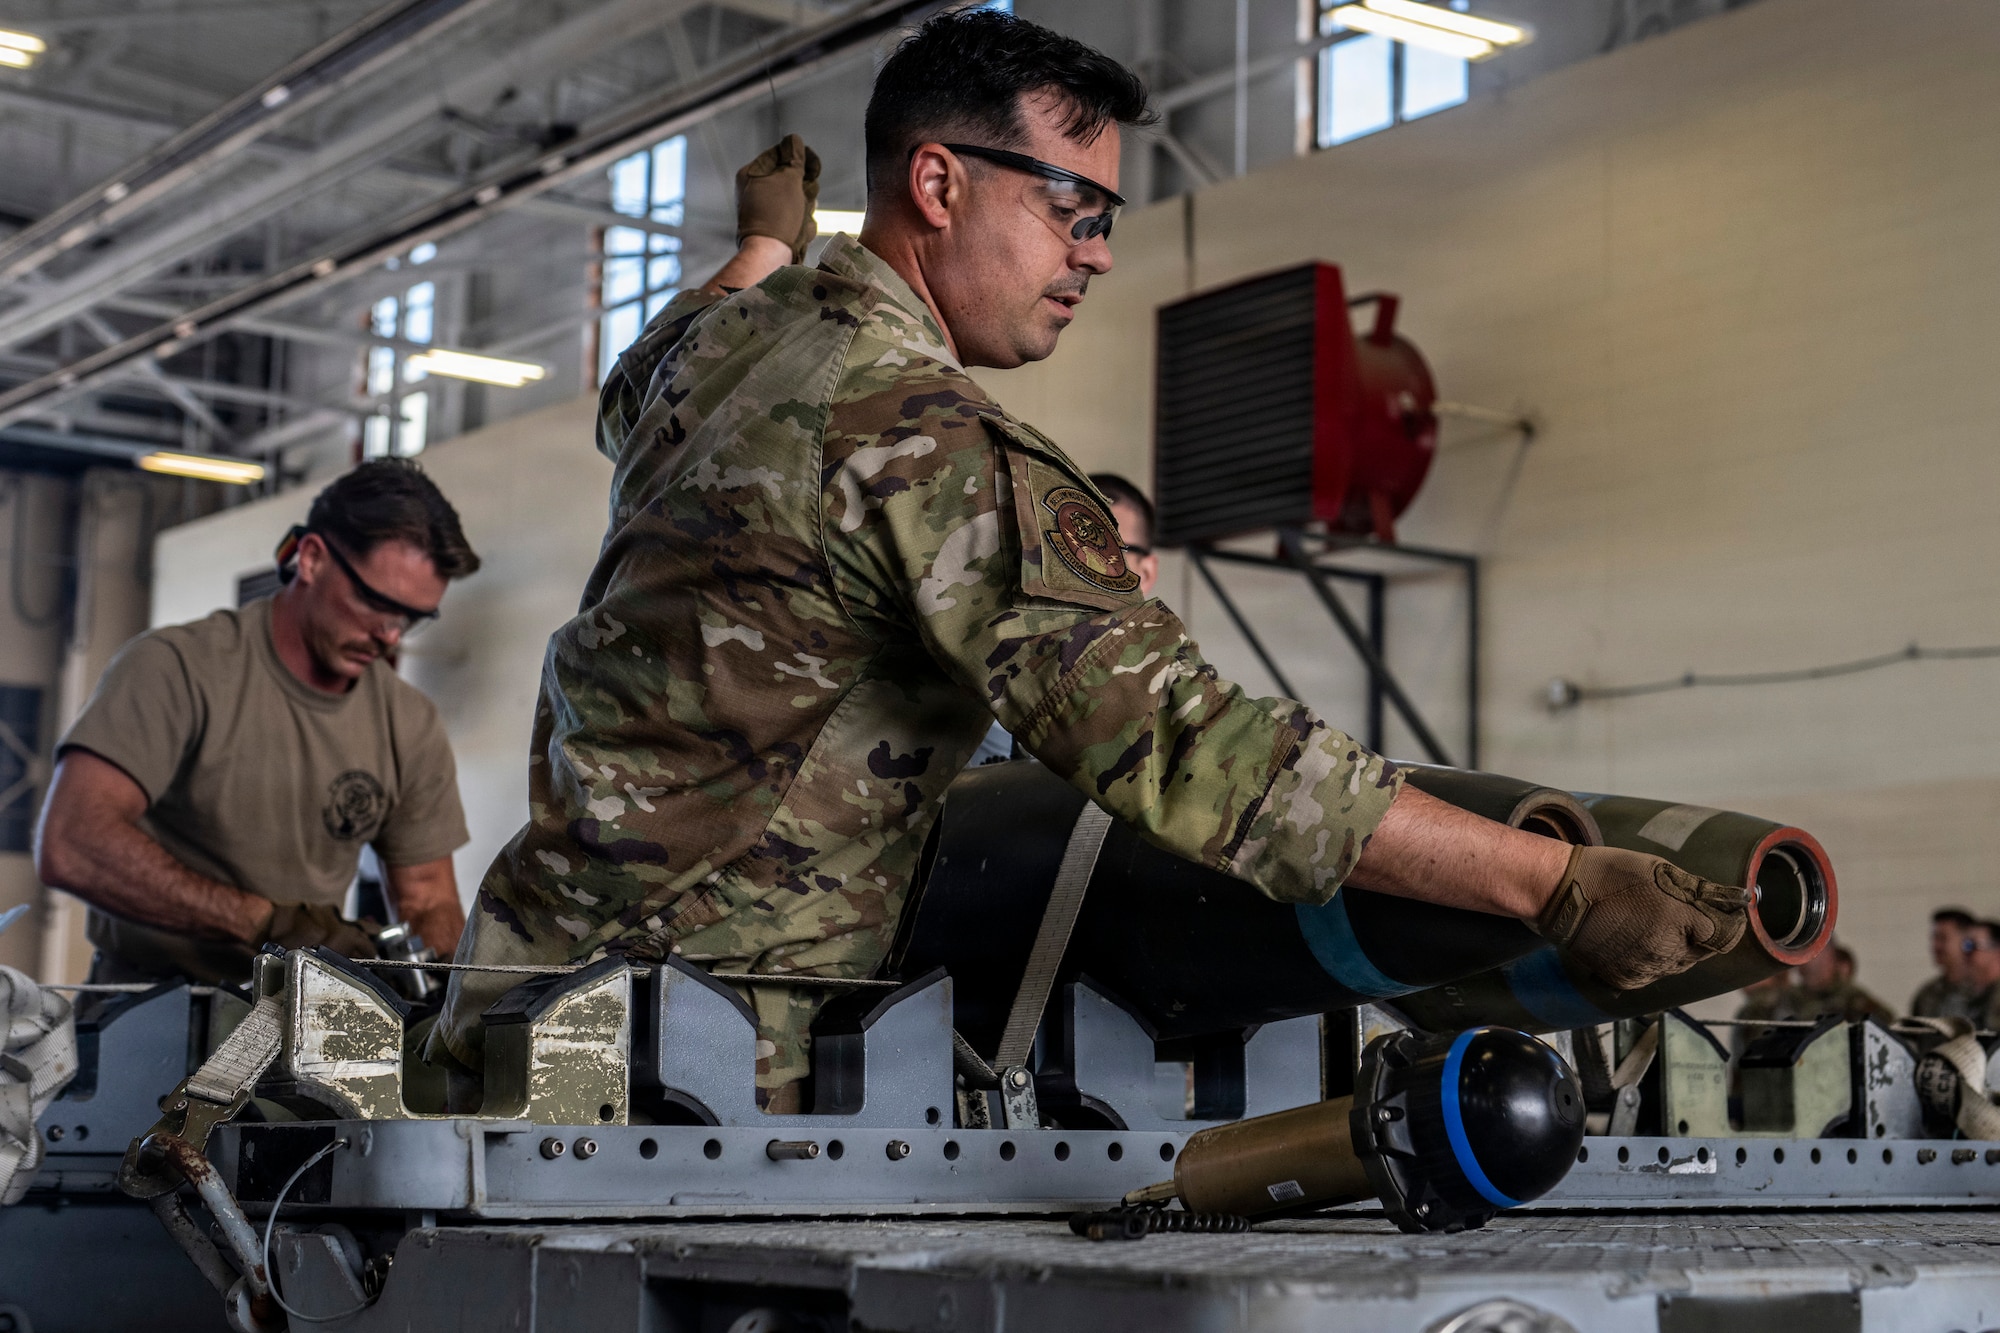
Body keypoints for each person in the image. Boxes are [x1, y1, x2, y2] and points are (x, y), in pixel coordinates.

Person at [432, 9, 1749, 1112]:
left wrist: (772, 243)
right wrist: (1555, 880)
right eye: (1073, 206)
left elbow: (637, 374)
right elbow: (1186, 746)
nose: (1099, 252)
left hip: (526, 1010)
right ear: (939, 184)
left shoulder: (719, 359)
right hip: (714, 1075)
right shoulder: (923, 436)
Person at [35, 459, 478, 986]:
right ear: (312, 559)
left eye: (410, 617)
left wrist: (446, 995)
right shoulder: (176, 668)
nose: (390, 635)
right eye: (376, 603)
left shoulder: (409, 723)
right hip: (148, 1006)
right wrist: (269, 924)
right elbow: (73, 841)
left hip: (299, 1012)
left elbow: (428, 897)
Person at [966, 471, 1156, 766]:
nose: (1080, 569)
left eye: (1104, 549)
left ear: (1146, 573)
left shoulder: (1169, 695)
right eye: (1062, 549)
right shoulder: (982, 681)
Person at [1785, 936, 1894, 1026]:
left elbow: (1886, 1027)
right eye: (1799, 953)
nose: (1805, 962)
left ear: (1830, 956)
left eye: (1810, 953)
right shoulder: (1788, 998)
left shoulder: (1853, 1000)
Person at [1911, 907, 1980, 1022]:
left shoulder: (1983, 990)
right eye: (1934, 938)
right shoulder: (1927, 994)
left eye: (1943, 938)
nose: (1935, 946)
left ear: (1966, 942)